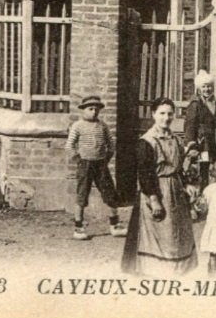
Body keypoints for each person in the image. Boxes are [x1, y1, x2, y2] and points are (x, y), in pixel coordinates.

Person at [121, 98, 198, 275]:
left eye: (170, 113)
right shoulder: (147, 141)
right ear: (154, 114)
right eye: (162, 113)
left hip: (176, 191)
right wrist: (154, 200)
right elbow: (145, 174)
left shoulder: (176, 140)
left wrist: (187, 184)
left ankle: (177, 270)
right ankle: (156, 270)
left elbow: (179, 168)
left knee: (176, 234)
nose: (166, 117)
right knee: (161, 233)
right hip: (157, 191)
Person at [65, 95, 127, 240]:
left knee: (110, 194)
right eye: (90, 109)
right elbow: (69, 146)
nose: (93, 112)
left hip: (100, 165)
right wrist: (79, 160)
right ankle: (78, 227)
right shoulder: (77, 126)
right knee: (82, 195)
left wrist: (106, 159)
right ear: (83, 110)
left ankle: (115, 225)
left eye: (96, 109)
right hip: (85, 164)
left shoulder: (102, 126)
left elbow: (111, 144)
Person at [184, 70, 216, 190]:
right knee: (202, 168)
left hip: (212, 142)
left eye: (209, 87)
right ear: (199, 88)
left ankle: (210, 191)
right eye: (204, 87)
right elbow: (190, 125)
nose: (207, 89)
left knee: (212, 167)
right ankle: (201, 193)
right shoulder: (195, 104)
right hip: (202, 142)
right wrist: (191, 144)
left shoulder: (215, 103)